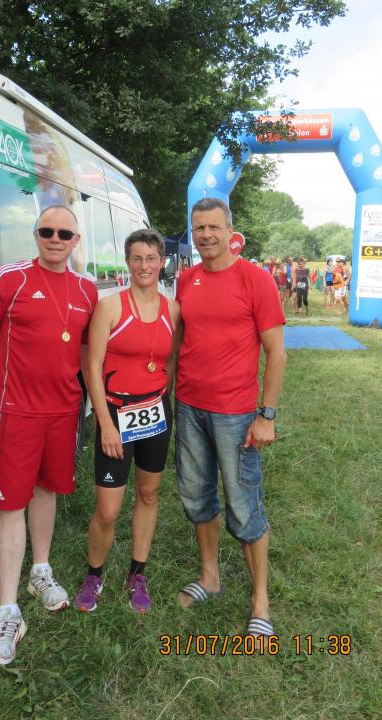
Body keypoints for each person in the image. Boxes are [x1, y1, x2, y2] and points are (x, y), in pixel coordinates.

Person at [0, 205, 97, 666]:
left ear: (76, 240)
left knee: (47, 490)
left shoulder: (87, 290)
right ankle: (8, 611)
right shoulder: (9, 278)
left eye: (64, 233)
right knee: (11, 503)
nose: (55, 239)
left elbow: (88, 354)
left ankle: (40, 570)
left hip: (65, 412)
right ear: (36, 235)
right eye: (47, 231)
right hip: (18, 413)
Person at [175, 197, 286, 640]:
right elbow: (181, 340)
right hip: (189, 407)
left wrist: (266, 415)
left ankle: (260, 603)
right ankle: (210, 578)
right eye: (199, 228)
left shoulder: (256, 279)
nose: (206, 235)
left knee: (244, 505)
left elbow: (276, 352)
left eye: (213, 227)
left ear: (229, 230)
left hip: (236, 414)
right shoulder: (187, 279)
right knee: (196, 495)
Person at [74, 229, 180, 613]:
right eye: (137, 258)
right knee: (108, 510)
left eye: (151, 258)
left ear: (162, 262)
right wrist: (105, 423)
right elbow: (92, 367)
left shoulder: (174, 310)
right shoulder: (110, 307)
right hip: (116, 414)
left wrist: (163, 401)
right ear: (127, 262)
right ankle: (94, 575)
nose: (144, 266)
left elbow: (172, 362)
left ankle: (137, 573)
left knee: (149, 494)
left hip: (155, 413)